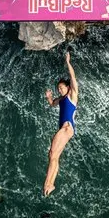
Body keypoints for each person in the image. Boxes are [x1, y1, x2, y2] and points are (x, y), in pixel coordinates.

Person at [43, 52, 78, 197]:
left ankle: (48, 183)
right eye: (58, 88)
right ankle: (50, 184)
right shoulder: (61, 99)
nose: (60, 90)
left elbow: (73, 78)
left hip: (67, 127)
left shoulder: (72, 95)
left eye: (62, 87)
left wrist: (68, 62)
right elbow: (52, 104)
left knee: (52, 154)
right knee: (53, 155)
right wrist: (49, 97)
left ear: (68, 88)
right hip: (65, 128)